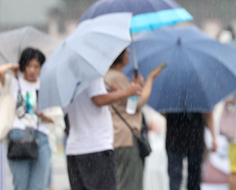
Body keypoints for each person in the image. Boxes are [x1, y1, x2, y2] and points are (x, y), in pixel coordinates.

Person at [65, 56, 142, 190]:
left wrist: (106, 92)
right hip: (96, 148)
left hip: (75, 149)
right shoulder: (92, 72)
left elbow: (89, 100)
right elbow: (98, 100)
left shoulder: (71, 76)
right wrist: (126, 92)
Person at [104, 48, 163, 190]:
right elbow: (136, 104)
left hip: (114, 136)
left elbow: (128, 102)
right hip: (125, 138)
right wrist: (150, 79)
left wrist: (136, 87)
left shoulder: (108, 76)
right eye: (126, 52)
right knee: (130, 183)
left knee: (119, 181)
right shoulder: (117, 77)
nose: (129, 54)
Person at [0, 48, 53, 190]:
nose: (32, 70)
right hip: (19, 136)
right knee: (21, 185)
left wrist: (43, 115)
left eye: (36, 66)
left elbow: (55, 116)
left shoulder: (45, 85)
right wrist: (12, 66)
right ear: (23, 66)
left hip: (41, 136)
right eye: (28, 65)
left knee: (38, 186)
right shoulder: (13, 83)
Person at [166, 111, 218, 190]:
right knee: (194, 179)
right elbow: (208, 113)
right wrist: (213, 137)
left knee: (175, 178)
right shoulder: (199, 99)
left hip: (174, 137)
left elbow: (163, 111)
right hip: (195, 137)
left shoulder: (170, 99)